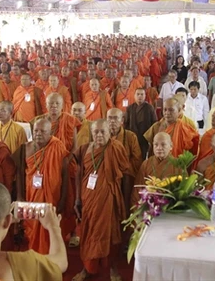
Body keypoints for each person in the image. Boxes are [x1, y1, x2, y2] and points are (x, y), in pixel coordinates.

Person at [73, 119, 133, 281]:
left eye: (103, 132)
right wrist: (78, 198)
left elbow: (127, 174)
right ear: (91, 133)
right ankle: (87, 268)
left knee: (110, 233)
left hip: (109, 199)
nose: (99, 135)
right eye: (96, 132)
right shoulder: (84, 149)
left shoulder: (116, 148)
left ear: (110, 132)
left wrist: (126, 201)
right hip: (88, 199)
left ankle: (112, 268)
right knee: (88, 232)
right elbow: (78, 175)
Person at [14, 119, 71, 254]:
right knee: (32, 228)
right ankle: (34, 257)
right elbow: (20, 174)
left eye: (43, 131)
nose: (38, 134)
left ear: (50, 132)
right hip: (31, 197)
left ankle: (50, 261)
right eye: (36, 131)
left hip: (52, 197)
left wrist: (63, 199)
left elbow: (65, 174)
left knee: (49, 229)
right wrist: (20, 196)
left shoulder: (57, 147)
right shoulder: (25, 148)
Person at [107, 108, 143, 206]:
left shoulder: (131, 136)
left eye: (115, 118)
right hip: (106, 176)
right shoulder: (102, 136)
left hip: (125, 177)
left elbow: (137, 160)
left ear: (122, 120)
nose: (112, 121)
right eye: (110, 118)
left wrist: (120, 170)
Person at [125, 88, 157, 159]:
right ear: (134, 96)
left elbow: (154, 123)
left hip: (145, 137)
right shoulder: (130, 108)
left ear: (145, 96)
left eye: (142, 94)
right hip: (132, 136)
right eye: (138, 94)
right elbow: (126, 123)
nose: (140, 96)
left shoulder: (149, 108)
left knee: (143, 156)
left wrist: (151, 137)